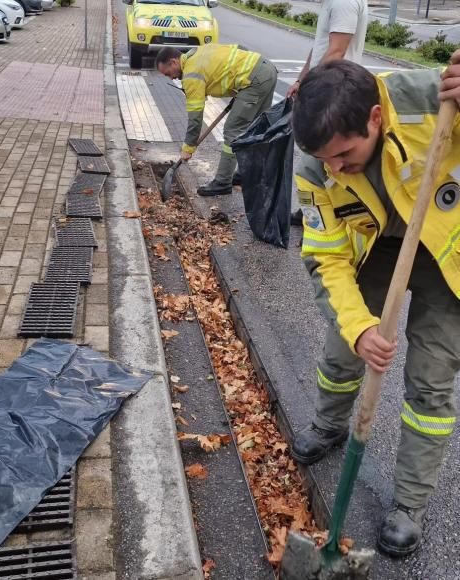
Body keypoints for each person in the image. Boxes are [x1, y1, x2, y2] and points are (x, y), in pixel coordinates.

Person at [290, 54, 460, 557]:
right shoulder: (315, 167)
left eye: (345, 154)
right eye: (326, 159)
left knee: (431, 381)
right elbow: (326, 258)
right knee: (344, 349)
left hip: (445, 248)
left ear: (375, 119)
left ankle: (409, 504)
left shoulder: (436, 100)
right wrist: (361, 328)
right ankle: (329, 424)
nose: (335, 167)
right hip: (376, 246)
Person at [156, 44, 277, 197]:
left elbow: (195, 118)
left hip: (255, 81)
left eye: (168, 73)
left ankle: (222, 182)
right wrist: (240, 80)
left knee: (232, 130)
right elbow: (240, 48)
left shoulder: (191, 75)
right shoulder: (198, 51)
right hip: (266, 69)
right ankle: (246, 174)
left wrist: (188, 148)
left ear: (174, 62)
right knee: (256, 128)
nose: (171, 77)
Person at [287, 0, 367, 225]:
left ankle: (326, 222)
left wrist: (311, 89)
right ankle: (311, 213)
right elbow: (320, 47)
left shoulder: (344, 2)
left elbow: (337, 50)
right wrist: (300, 80)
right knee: (316, 163)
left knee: (329, 161)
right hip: (324, 88)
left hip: (333, 92)